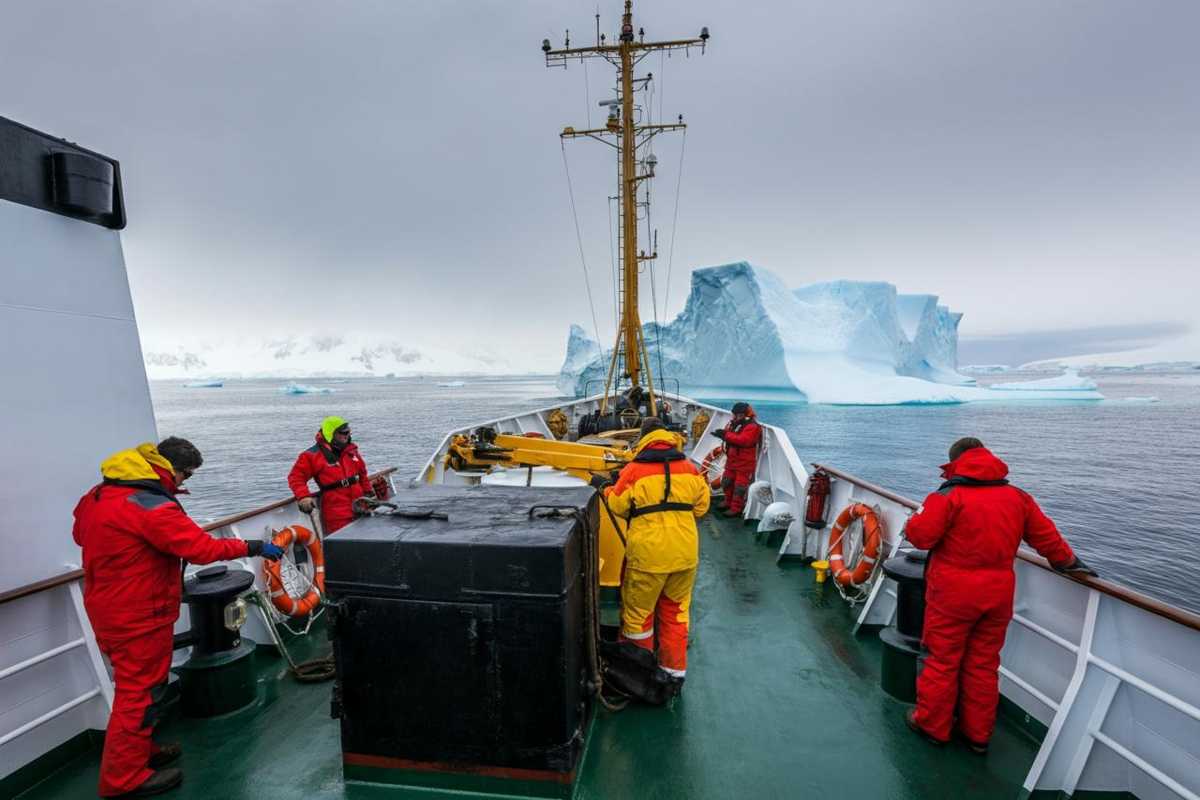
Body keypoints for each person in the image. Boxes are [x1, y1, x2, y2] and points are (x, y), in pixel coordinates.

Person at [72, 438, 283, 797]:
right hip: (139, 613)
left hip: (109, 607)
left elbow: (80, 534)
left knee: (144, 687)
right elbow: (200, 548)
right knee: (138, 693)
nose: (186, 482)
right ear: (172, 469)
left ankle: (139, 753)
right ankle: (123, 780)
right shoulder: (150, 505)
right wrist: (252, 546)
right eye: (187, 474)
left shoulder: (100, 494)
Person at [903, 437, 1096, 753]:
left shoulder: (948, 496)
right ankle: (977, 735)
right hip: (997, 598)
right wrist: (1070, 563)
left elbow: (920, 537)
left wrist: (914, 520)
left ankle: (933, 725)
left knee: (941, 660)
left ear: (955, 462)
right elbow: (1047, 539)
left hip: (952, 597)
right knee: (983, 663)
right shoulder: (1018, 497)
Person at [592, 418, 710, 690]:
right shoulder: (690, 469)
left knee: (638, 617)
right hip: (684, 554)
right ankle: (674, 676)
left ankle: (641, 677)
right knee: (675, 614)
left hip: (648, 556)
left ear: (643, 439)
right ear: (668, 438)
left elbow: (618, 505)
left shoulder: (634, 470)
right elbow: (702, 508)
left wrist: (604, 486)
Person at [288, 416, 374, 534]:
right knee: (343, 543)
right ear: (331, 434)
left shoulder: (351, 451)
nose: (347, 435)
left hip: (361, 507)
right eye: (343, 432)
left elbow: (362, 474)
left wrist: (368, 493)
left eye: (348, 432)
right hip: (337, 515)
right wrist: (303, 497)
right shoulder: (311, 455)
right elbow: (296, 477)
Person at [712, 401, 761, 517]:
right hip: (732, 460)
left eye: (737, 414)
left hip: (744, 462)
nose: (734, 416)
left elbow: (744, 440)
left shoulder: (753, 426)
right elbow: (733, 437)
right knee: (727, 482)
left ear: (743, 414)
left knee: (739, 487)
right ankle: (727, 502)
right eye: (734, 414)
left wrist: (725, 435)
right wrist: (722, 434)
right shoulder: (735, 424)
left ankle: (736, 508)